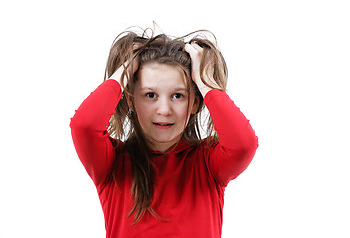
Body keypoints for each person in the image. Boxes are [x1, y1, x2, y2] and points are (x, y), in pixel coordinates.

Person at [70, 27, 258, 238]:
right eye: (150, 95)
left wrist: (206, 84)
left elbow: (243, 144)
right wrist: (125, 71)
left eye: (178, 96)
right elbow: (84, 127)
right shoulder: (112, 163)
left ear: (195, 102)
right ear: (130, 99)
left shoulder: (208, 164)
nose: (164, 110)